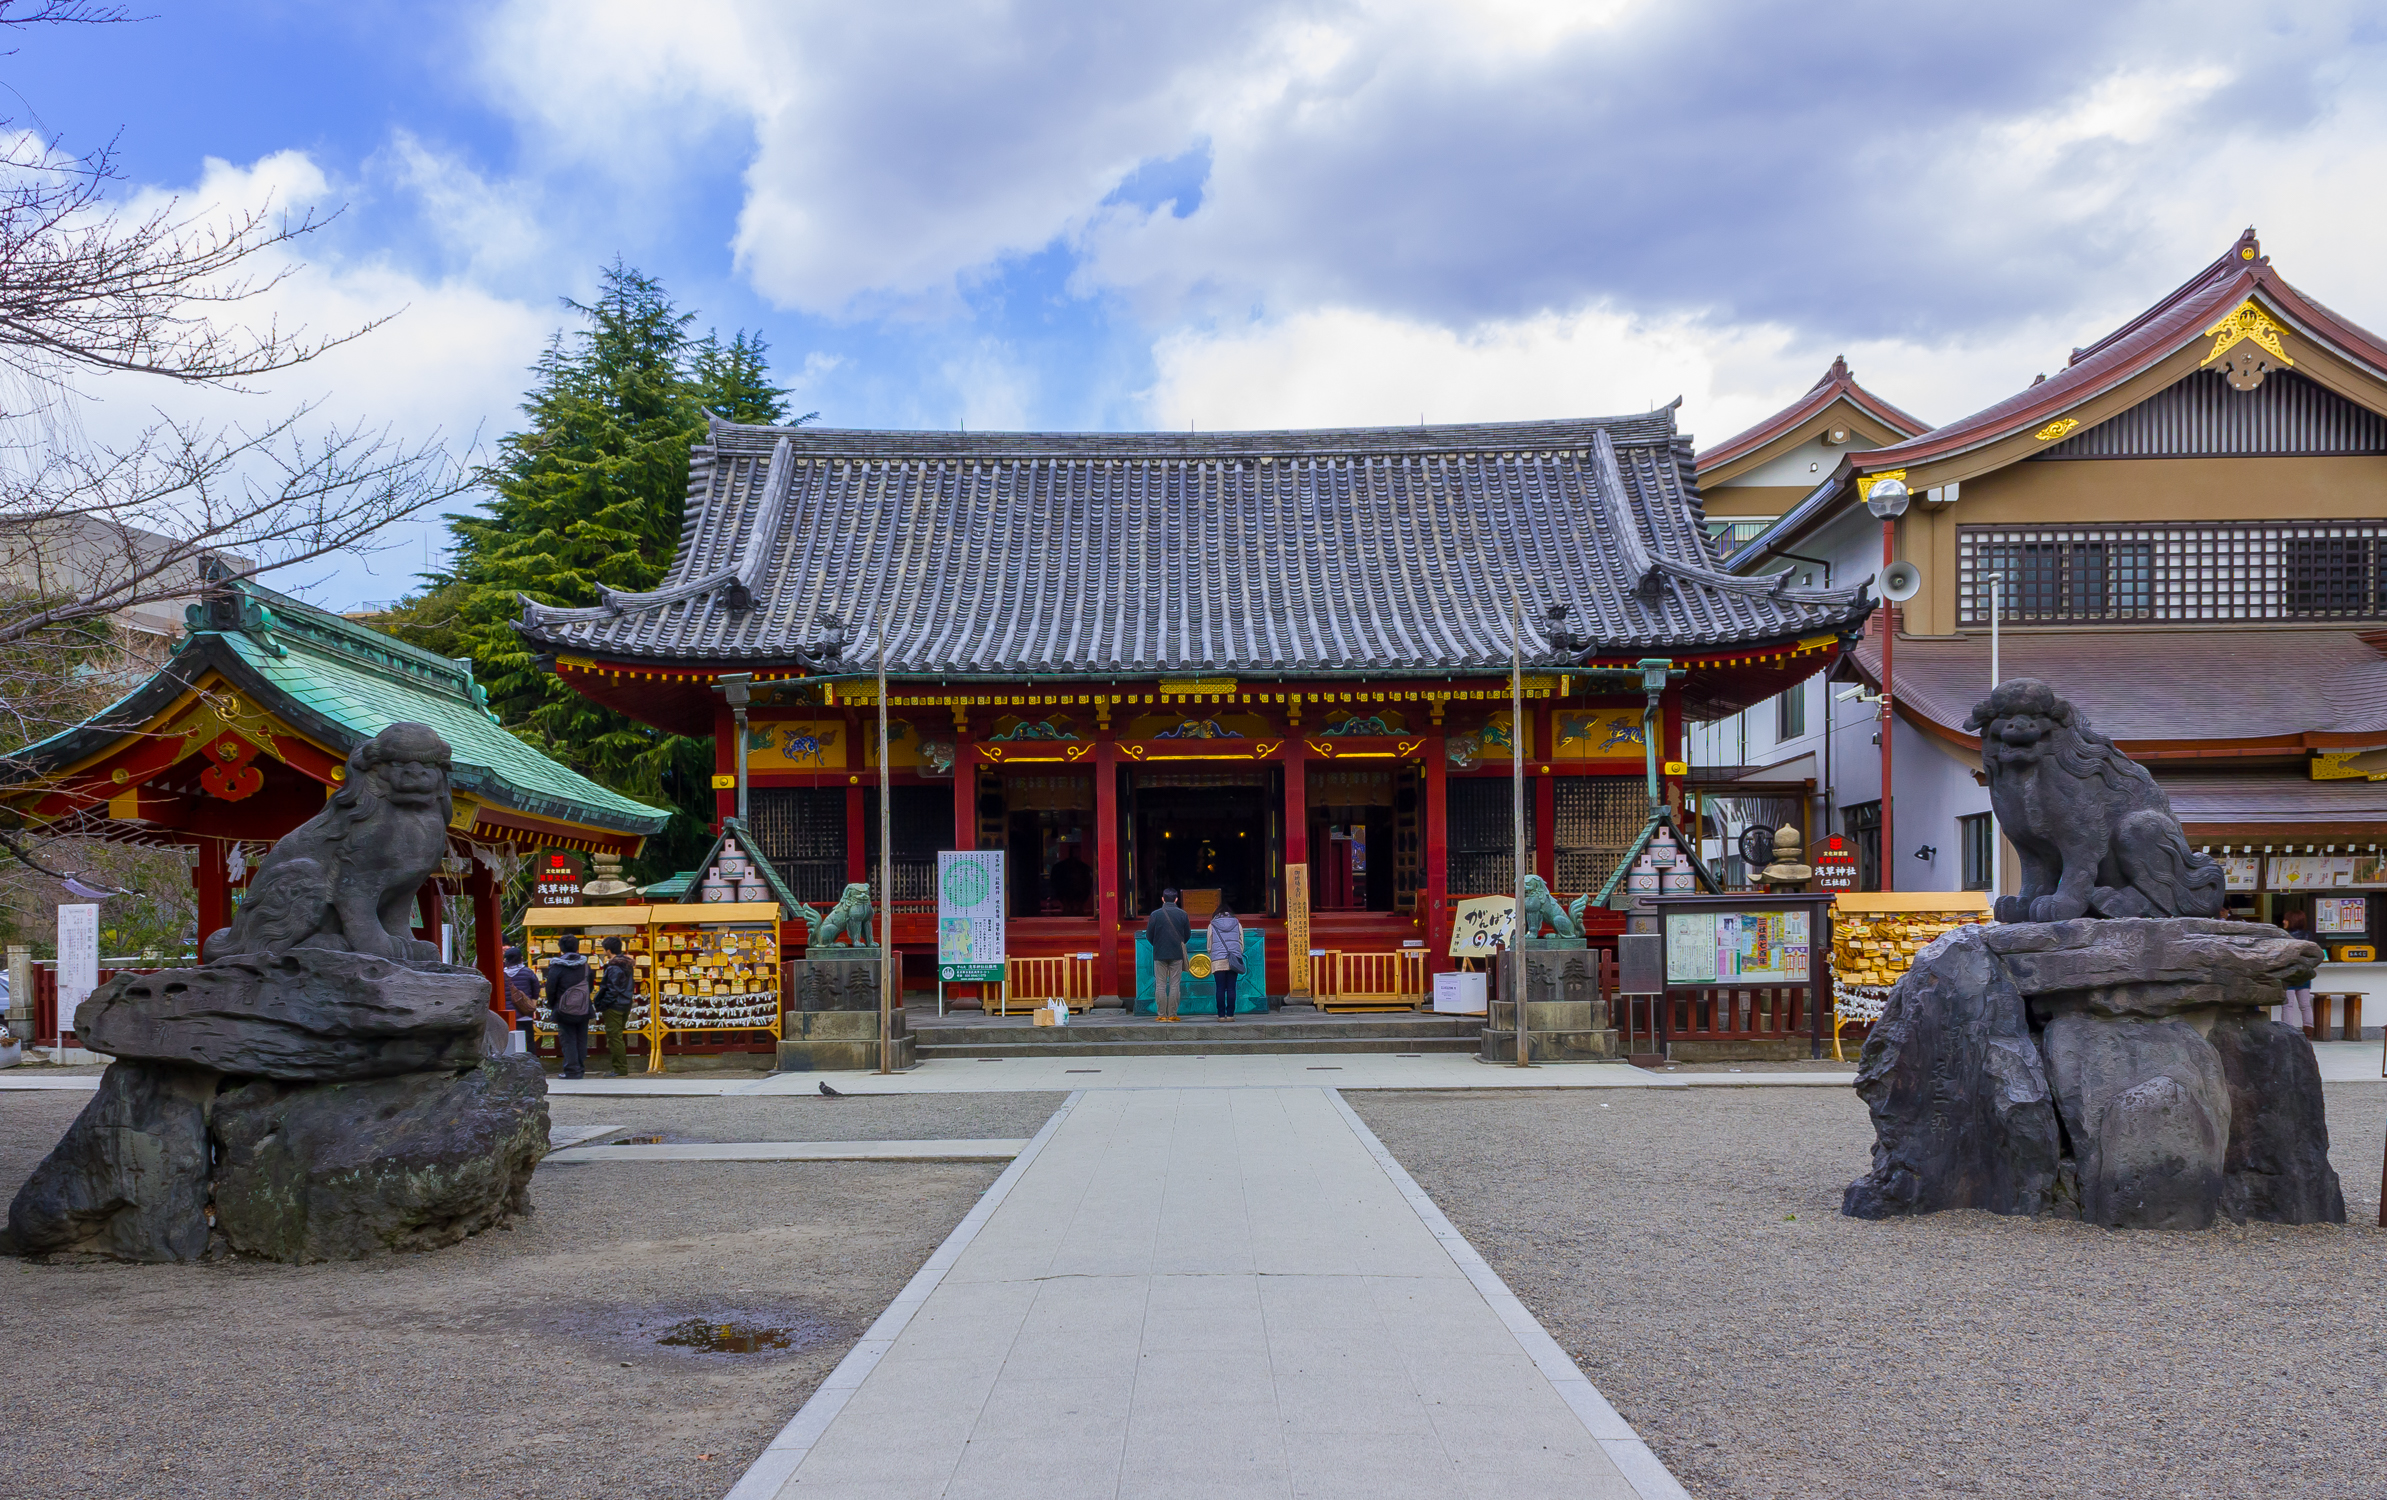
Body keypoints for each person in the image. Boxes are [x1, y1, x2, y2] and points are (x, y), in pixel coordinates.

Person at [544, 935, 595, 1079]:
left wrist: (553, 1004)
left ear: (561, 948)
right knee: (581, 1038)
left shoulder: (557, 967)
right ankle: (580, 1067)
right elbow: (590, 985)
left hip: (563, 1008)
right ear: (577, 947)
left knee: (568, 1038)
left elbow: (550, 988)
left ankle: (572, 1070)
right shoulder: (585, 965)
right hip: (583, 1006)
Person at [1145, 887, 1191, 1022]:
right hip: (1176, 953)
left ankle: (1161, 1014)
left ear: (1163, 899)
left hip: (1159, 953)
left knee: (1160, 984)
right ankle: (1172, 1014)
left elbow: (1149, 935)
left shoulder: (1155, 914)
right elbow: (1187, 935)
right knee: (1175, 984)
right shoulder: (1183, 914)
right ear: (1176, 899)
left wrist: (1157, 944)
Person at [595, 934, 638, 1077]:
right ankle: (620, 1067)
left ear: (608, 950)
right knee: (617, 1036)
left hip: (614, 1005)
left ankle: (620, 1068)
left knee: (614, 1037)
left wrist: (602, 1003)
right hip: (625, 1003)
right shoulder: (627, 965)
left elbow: (612, 989)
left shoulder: (614, 967)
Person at [2279, 908, 2317, 1035]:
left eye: (2286, 919)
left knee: (2287, 1005)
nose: (2283, 921)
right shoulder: (2308, 936)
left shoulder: (2284, 936)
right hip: (2304, 974)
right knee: (2305, 1005)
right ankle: (2308, 1030)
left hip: (2288, 974)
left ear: (2292, 921)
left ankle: (2287, 1031)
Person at [1207, 902, 1245, 1020]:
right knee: (1231, 988)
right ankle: (1230, 1015)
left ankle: (1221, 1015)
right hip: (1233, 959)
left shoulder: (1212, 925)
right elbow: (1241, 943)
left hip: (1218, 960)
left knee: (1220, 988)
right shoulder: (1237, 924)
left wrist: (1213, 954)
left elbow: (1209, 944)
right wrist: (1237, 954)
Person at [502, 944, 540, 1052]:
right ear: (521, 959)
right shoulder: (527, 972)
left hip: (507, 1015)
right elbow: (536, 990)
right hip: (524, 1014)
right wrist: (532, 1006)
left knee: (509, 1045)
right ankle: (531, 1066)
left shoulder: (501, 974)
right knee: (528, 1043)